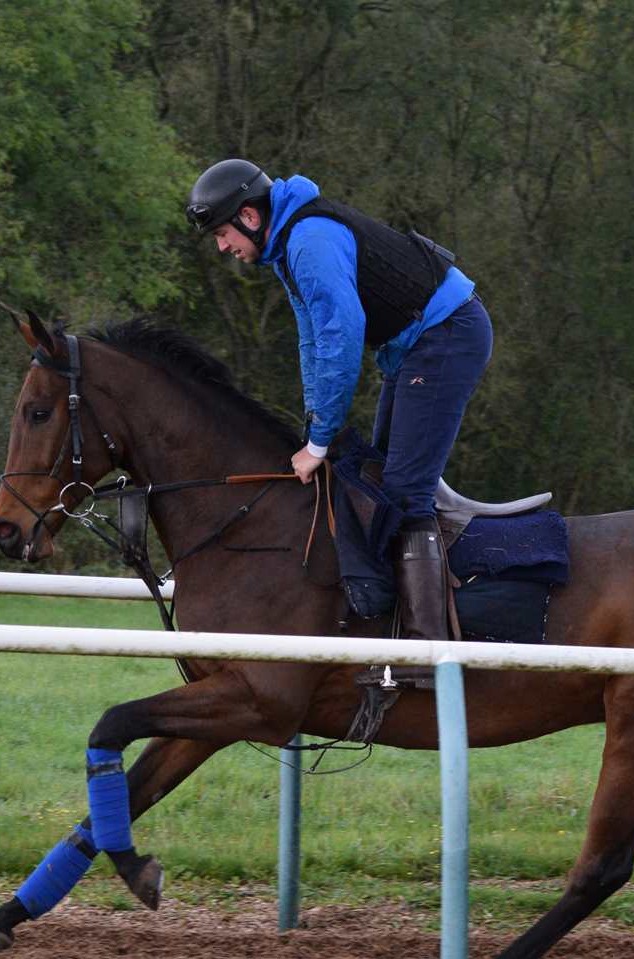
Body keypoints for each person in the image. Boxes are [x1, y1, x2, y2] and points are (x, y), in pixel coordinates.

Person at [185, 158, 492, 669]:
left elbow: (340, 339)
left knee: (404, 491)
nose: (224, 248)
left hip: (449, 334)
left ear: (250, 217)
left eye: (222, 234)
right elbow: (312, 340)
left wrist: (321, 441)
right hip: (419, 345)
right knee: (376, 478)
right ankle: (394, 625)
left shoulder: (309, 242)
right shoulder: (289, 246)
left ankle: (428, 652)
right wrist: (314, 431)